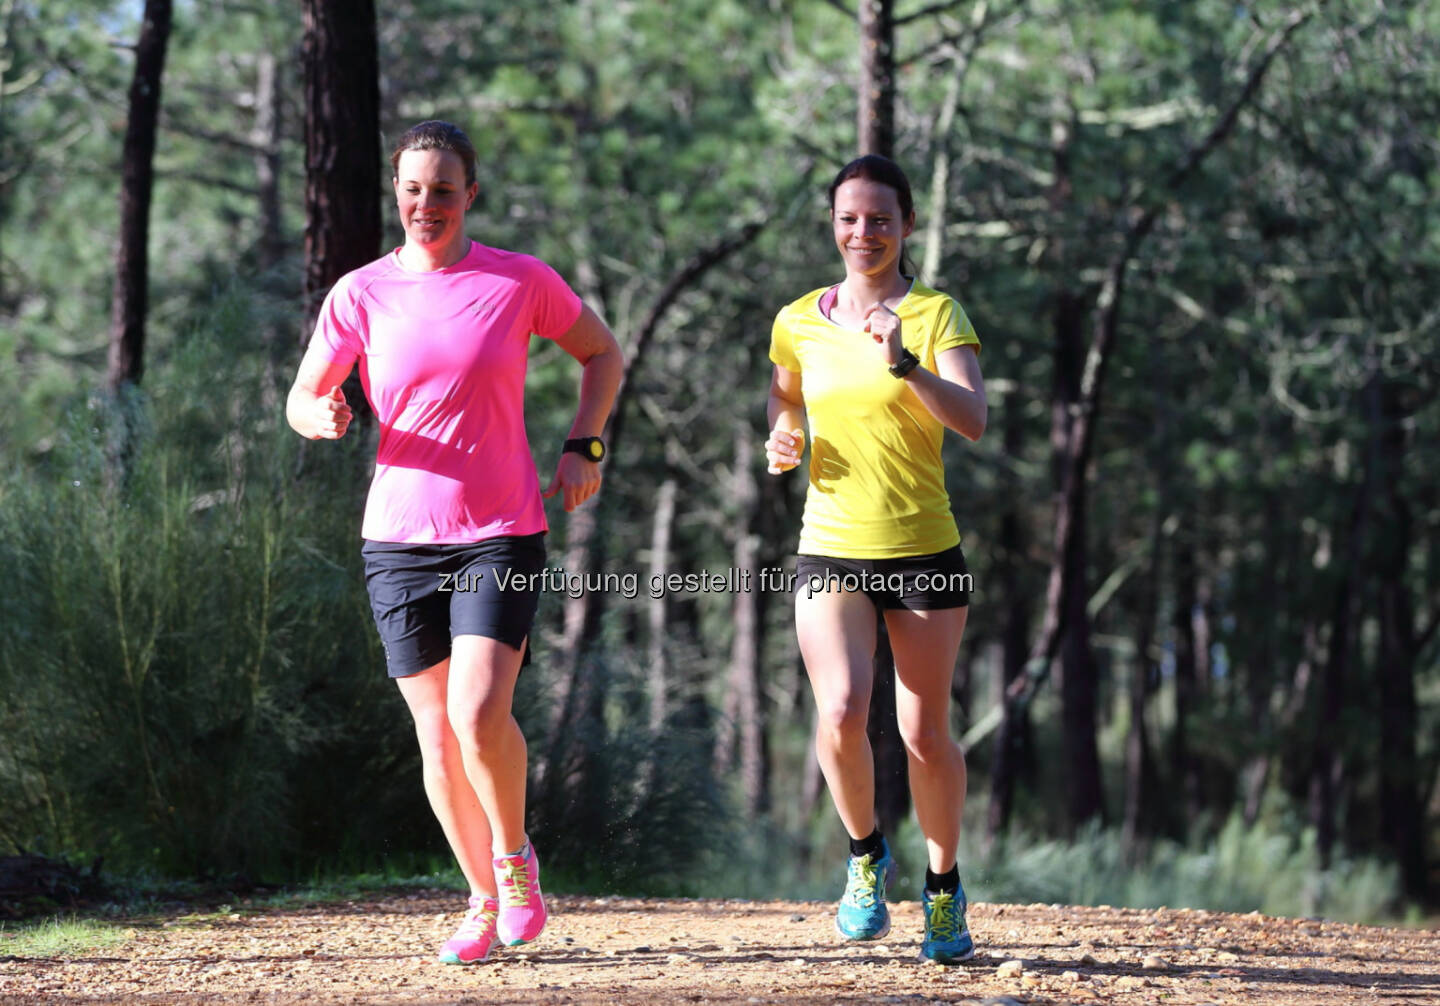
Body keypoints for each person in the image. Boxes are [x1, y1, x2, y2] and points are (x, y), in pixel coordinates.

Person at [286, 120, 622, 965]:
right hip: (396, 539)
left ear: (470, 195)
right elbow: (302, 393)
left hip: (500, 530)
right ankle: (477, 898)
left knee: (479, 714)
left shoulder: (517, 281)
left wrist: (585, 443)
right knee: (436, 735)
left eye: (443, 189)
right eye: (412, 188)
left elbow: (601, 354)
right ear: (396, 193)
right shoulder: (360, 293)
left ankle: (514, 862)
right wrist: (318, 414)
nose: (425, 204)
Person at [763, 154, 986, 965]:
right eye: (851, 218)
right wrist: (782, 438)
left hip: (923, 547)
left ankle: (942, 887)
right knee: (840, 710)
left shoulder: (933, 314)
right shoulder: (798, 319)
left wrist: (905, 362)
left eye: (881, 219)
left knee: (924, 733)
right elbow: (786, 396)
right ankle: (864, 858)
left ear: (907, 226)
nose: (865, 232)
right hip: (830, 544)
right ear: (834, 224)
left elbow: (973, 419)